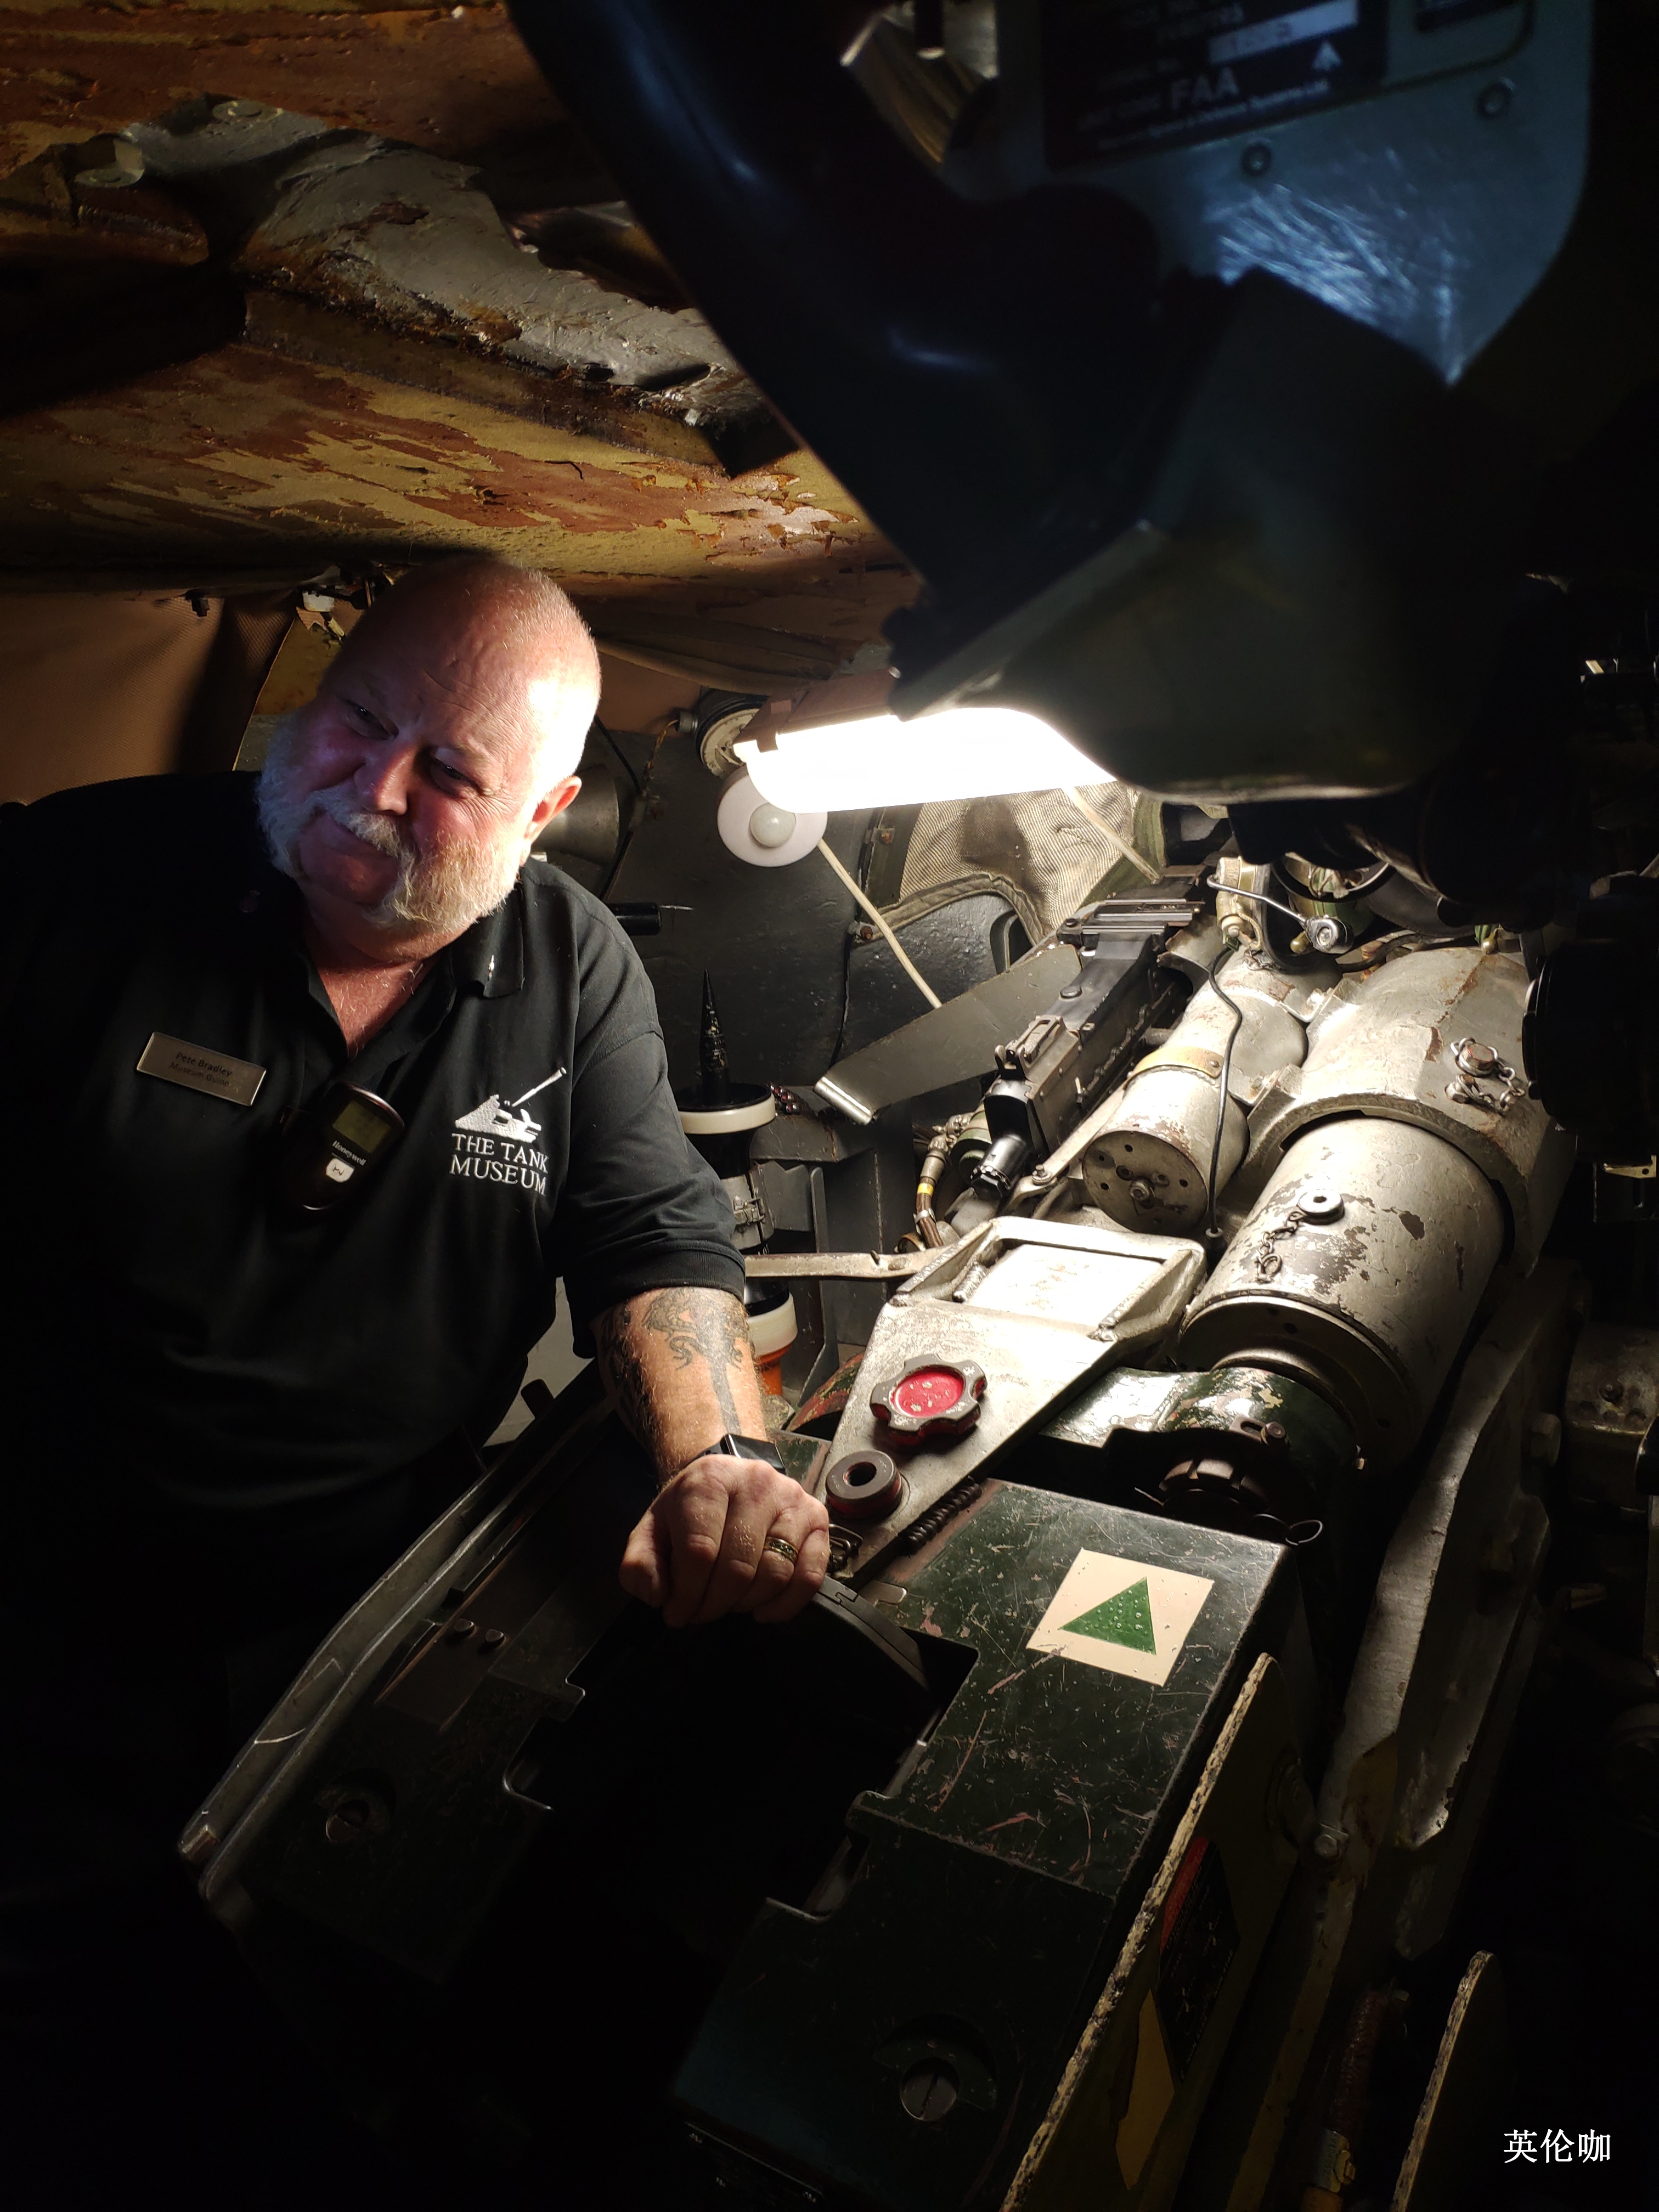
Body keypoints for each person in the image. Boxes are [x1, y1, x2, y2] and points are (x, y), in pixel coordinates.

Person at [0, 556, 828, 2196]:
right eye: (354, 720)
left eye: (448, 768)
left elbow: (654, 1235)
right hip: (46, 1641)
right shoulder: (76, 874)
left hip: (348, 1653)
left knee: (285, 2071)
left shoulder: (572, 967)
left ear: (547, 810)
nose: (371, 787)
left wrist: (718, 1459)